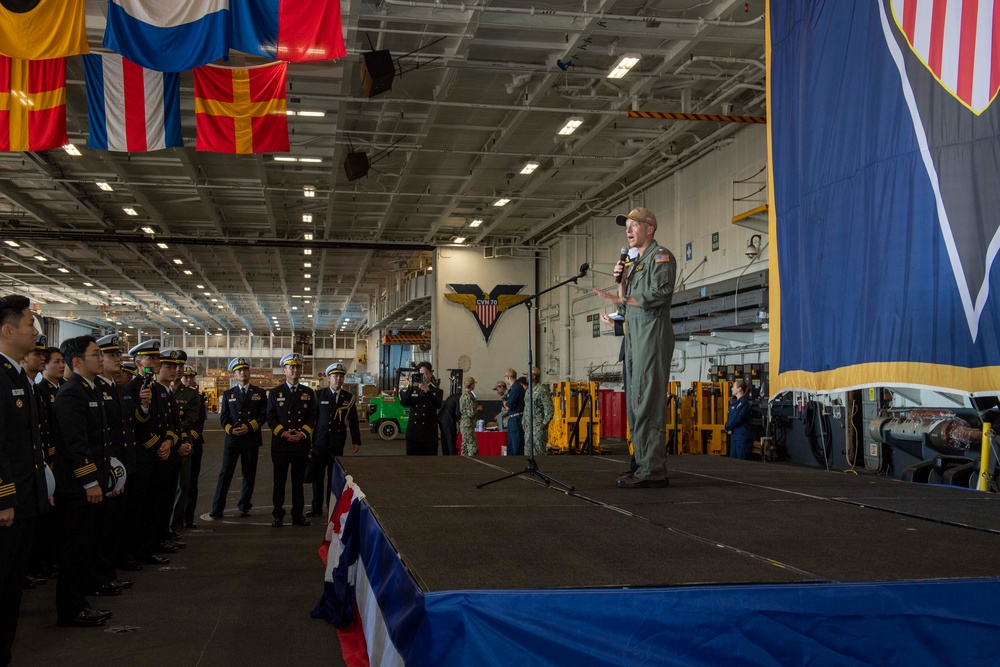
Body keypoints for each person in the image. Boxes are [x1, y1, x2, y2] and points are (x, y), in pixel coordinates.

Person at [594, 207, 676, 489]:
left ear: (649, 229)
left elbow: (660, 294)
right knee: (635, 403)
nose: (628, 231)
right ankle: (641, 464)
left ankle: (652, 471)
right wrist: (621, 281)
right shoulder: (634, 263)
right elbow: (626, 301)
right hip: (634, 337)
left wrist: (621, 301)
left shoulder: (660, 256)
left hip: (651, 336)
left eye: (634, 225)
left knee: (648, 403)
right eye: (626, 226)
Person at [0, 295, 49, 663]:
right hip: (7, 505)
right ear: (7, 330)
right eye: (30, 324)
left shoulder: (17, 374)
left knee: (12, 589)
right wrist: (3, 497)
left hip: (23, 501)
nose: (36, 330)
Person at [52, 336, 114, 628]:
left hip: (92, 482)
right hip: (77, 488)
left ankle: (81, 600)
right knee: (74, 548)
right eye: (95, 354)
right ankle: (71, 609)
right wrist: (90, 482)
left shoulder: (91, 390)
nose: (100, 358)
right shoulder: (71, 394)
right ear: (77, 362)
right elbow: (75, 444)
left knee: (86, 545)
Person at [212, 357, 267, 519]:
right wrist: (231, 430)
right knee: (225, 473)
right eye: (238, 371)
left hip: (251, 438)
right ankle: (217, 507)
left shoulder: (259, 393)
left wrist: (249, 427)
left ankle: (244, 506)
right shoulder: (229, 394)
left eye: (244, 369)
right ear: (234, 375)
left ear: (249, 372)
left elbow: (264, 416)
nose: (242, 373)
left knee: (249, 474)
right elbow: (224, 417)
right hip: (233, 439)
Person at [266, 353, 316, 528]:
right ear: (285, 370)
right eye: (291, 367)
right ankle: (278, 515)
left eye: (298, 367)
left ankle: (297, 515)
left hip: (300, 444)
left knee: (298, 482)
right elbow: (270, 417)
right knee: (279, 481)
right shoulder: (275, 393)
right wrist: (283, 433)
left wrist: (302, 433)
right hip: (281, 444)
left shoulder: (308, 393)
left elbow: (312, 417)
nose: (295, 370)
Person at [308, 363, 361, 517]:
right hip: (319, 443)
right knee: (317, 478)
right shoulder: (319, 395)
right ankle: (316, 508)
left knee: (334, 479)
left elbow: (353, 421)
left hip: (337, 443)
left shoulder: (348, 398)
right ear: (328, 378)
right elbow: (312, 419)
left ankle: (332, 508)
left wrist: (356, 440)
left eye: (341, 376)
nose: (338, 379)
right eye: (335, 376)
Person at [170, 363, 200, 535]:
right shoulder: (156, 390)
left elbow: (191, 420)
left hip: (182, 443)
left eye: (180, 365)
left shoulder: (191, 394)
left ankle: (175, 526)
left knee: (182, 487)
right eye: (174, 365)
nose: (178, 369)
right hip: (163, 445)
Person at [178, 365, 206, 528]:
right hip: (178, 442)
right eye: (186, 377)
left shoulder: (197, 396)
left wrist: (190, 440)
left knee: (191, 482)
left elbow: (199, 421)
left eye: (191, 377)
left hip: (193, 442)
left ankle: (189, 516)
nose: (189, 380)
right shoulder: (169, 393)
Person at [399, 361, 443, 456]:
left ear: (431, 374)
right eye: (421, 374)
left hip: (429, 434)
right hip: (414, 434)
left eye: (426, 373)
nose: (424, 376)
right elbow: (404, 402)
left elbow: (437, 405)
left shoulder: (436, 391)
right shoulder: (413, 390)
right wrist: (410, 386)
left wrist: (427, 390)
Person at [522, 367, 553, 457]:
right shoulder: (528, 391)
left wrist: (544, 424)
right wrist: (523, 421)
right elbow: (526, 408)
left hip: (538, 427)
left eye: (528, 375)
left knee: (539, 453)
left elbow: (549, 409)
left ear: (534, 376)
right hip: (528, 427)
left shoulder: (542, 390)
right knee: (528, 452)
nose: (526, 377)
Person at [726, 379, 754, 460]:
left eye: (733, 387)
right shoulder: (736, 403)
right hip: (735, 436)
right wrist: (727, 427)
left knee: (742, 464)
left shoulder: (743, 403)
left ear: (739, 389)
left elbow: (737, 418)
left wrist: (727, 427)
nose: (731, 389)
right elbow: (731, 417)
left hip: (742, 438)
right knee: (733, 463)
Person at [503, 368, 525, 456]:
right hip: (513, 418)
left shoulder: (516, 388)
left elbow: (508, 406)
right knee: (511, 445)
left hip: (516, 419)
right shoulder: (514, 388)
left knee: (516, 446)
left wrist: (505, 402)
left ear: (507, 377)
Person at [437, 389, 461, 456]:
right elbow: (457, 413)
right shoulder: (459, 399)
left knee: (445, 439)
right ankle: (452, 455)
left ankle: (446, 454)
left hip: (442, 418)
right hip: (448, 420)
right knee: (451, 438)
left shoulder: (454, 397)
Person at [459, 376, 479, 456]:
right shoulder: (468, 397)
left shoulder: (463, 395)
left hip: (464, 424)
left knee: (465, 446)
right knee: (472, 447)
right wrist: (477, 409)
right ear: (472, 385)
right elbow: (471, 413)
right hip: (468, 424)